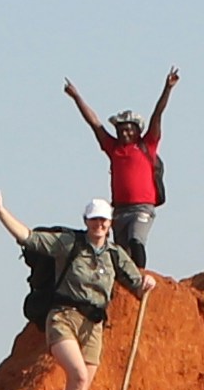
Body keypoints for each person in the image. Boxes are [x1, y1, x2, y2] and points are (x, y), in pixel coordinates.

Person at [0, 193, 151, 390]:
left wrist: (145, 285)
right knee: (79, 376)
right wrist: (1, 212)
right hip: (63, 318)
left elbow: (135, 281)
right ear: (86, 221)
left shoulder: (114, 255)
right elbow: (29, 238)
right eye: (94, 220)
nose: (99, 225)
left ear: (110, 224)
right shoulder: (69, 243)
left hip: (93, 326)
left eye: (104, 221)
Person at [62, 69, 177, 265]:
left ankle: (141, 277)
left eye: (129, 130)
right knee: (120, 252)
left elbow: (157, 114)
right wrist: (76, 97)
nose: (124, 134)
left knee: (136, 240)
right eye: (121, 130)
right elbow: (94, 123)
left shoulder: (146, 145)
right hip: (120, 210)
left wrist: (168, 88)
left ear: (137, 131)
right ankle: (123, 286)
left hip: (142, 208)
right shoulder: (113, 149)